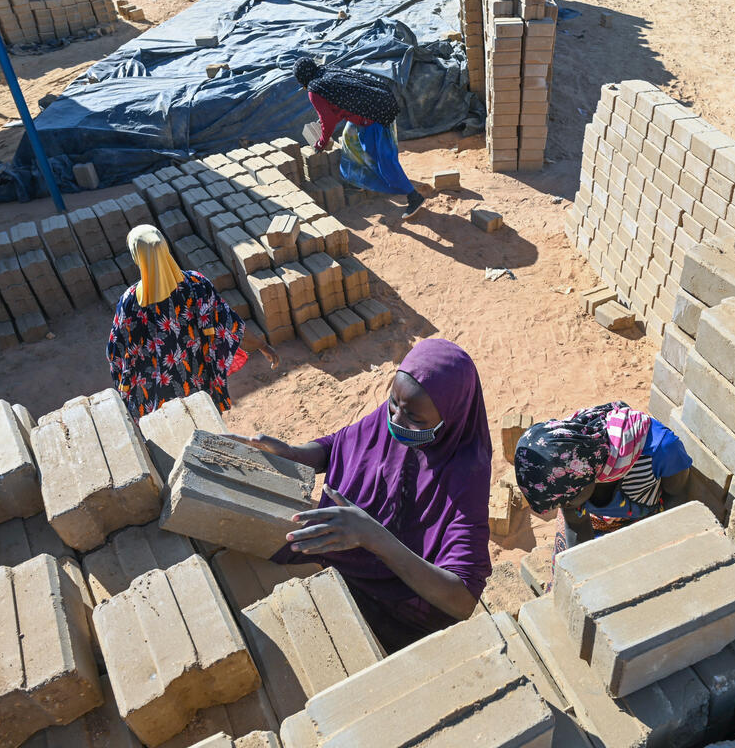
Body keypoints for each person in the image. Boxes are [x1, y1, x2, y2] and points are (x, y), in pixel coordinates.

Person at [227, 339, 491, 651]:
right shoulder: (403, 407)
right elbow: (340, 445)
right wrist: (293, 453)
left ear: (452, 417)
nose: (394, 421)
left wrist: (373, 537)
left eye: (414, 420)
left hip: (398, 603)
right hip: (346, 554)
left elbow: (461, 599)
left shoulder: (466, 473)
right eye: (393, 404)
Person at [107, 225, 276, 419]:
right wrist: (263, 346)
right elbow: (230, 325)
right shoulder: (197, 285)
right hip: (200, 386)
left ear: (138, 257)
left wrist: (127, 392)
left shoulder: (130, 303)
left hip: (159, 399)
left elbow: (116, 353)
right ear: (165, 248)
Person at [513, 402, 693, 563]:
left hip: (644, 521)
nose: (564, 506)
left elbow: (676, 502)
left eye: (566, 500)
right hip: (593, 524)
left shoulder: (661, 449)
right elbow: (576, 526)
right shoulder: (567, 468)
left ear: (585, 475)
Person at [293, 56, 426, 219]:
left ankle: (413, 196)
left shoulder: (314, 91)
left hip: (374, 115)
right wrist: (325, 119)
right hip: (377, 102)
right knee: (349, 138)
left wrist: (321, 143)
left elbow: (329, 121)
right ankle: (359, 180)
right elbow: (336, 106)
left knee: (383, 159)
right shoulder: (324, 71)